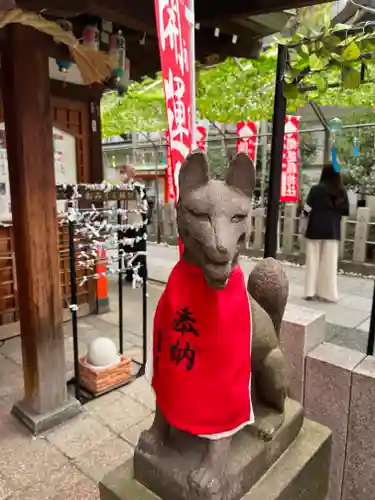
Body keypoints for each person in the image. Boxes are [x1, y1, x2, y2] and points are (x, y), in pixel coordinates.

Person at [303, 164, 349, 303]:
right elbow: (345, 211)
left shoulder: (316, 189)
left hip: (315, 229)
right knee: (329, 263)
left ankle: (310, 291)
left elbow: (307, 208)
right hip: (332, 231)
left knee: (312, 261)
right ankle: (327, 294)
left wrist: (305, 212)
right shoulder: (342, 191)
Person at [118, 164, 152, 283]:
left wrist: (142, 219)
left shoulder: (138, 188)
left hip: (136, 224)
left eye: (124, 172)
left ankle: (140, 275)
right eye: (121, 172)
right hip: (124, 225)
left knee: (138, 251)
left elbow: (145, 206)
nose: (122, 174)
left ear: (131, 173)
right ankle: (129, 274)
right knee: (126, 251)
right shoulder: (119, 188)